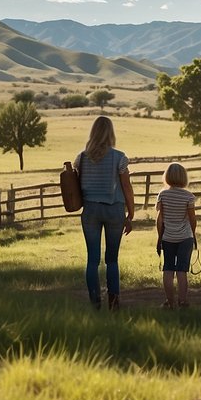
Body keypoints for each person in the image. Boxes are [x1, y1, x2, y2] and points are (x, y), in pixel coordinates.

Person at [76, 116, 135, 310]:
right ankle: (114, 302)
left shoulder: (82, 158)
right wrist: (130, 214)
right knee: (112, 259)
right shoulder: (119, 157)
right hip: (114, 210)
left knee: (92, 259)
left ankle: (95, 302)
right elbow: (127, 187)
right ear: (111, 133)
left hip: (90, 210)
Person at [156, 161, 197, 309]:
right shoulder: (189, 196)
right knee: (182, 269)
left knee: (168, 268)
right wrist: (194, 235)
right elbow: (192, 219)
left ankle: (170, 302)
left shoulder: (162, 194)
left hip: (168, 237)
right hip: (185, 237)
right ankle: (183, 301)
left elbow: (159, 218)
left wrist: (159, 237)